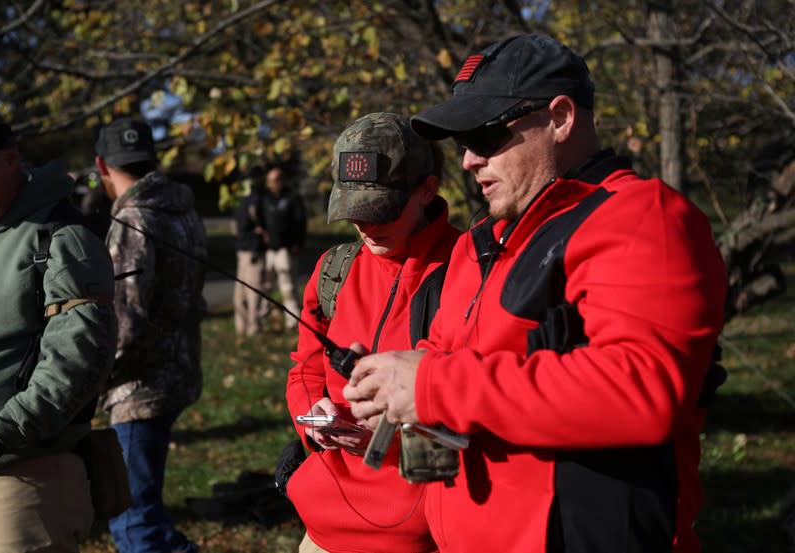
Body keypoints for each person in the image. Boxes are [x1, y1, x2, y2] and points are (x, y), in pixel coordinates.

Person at [344, 34, 728, 553]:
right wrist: (393, 398)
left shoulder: (639, 218)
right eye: (461, 145)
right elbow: (447, 374)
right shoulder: (478, 242)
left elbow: (642, 389)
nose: (468, 161)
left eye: (484, 136)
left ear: (562, 117)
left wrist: (430, 384)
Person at [285, 112, 461, 553]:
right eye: (354, 212)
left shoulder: (470, 271)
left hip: (424, 532)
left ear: (426, 189)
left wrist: (385, 441)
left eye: (382, 210)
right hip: (324, 530)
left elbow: (479, 416)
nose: (366, 226)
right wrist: (315, 420)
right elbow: (304, 370)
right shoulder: (334, 271)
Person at [0, 107, 117, 551]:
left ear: (9, 159)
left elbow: (79, 360)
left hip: (24, 477)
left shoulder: (61, 238)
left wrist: (1, 430)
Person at [95, 117, 207, 553]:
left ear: (102, 165)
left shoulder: (134, 218)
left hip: (137, 388)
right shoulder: (179, 209)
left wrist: (90, 379)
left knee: (132, 516)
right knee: (142, 508)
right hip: (179, 373)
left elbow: (124, 317)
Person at [259, 165, 306, 330]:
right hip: (269, 251)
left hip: (286, 250)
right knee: (266, 286)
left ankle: (293, 321)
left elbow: (300, 222)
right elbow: (260, 220)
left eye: (277, 180)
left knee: (288, 286)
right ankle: (261, 319)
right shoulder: (265, 199)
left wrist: (297, 244)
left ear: (283, 180)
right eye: (271, 181)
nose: (274, 183)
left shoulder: (292, 198)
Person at [233, 168, 267, 337]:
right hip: (246, 251)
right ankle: (246, 328)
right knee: (245, 294)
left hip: (251, 250)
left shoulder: (252, 200)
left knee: (251, 293)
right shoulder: (247, 200)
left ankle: (251, 328)